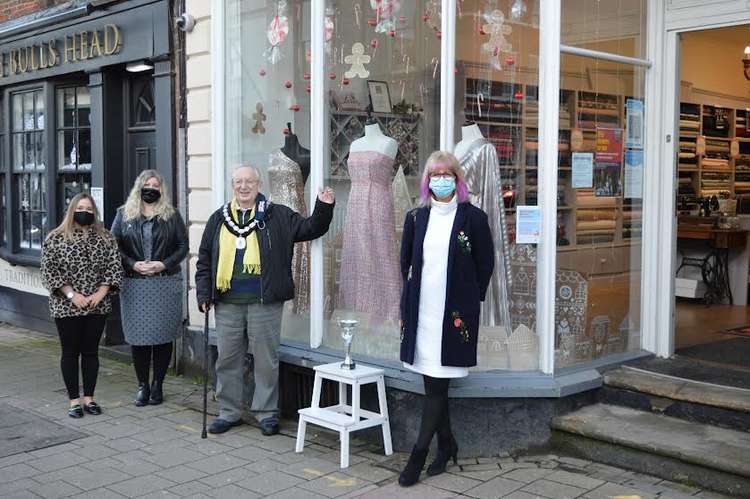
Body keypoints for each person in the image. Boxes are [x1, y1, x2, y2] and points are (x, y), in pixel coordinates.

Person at [195, 165, 335, 436]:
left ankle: (266, 413)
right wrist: (203, 293)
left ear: (259, 185)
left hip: (265, 301)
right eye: (238, 182)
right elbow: (204, 260)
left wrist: (324, 206)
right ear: (232, 186)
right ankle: (229, 412)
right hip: (227, 302)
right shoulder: (218, 219)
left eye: (249, 181)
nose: (244, 186)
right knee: (227, 359)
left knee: (265, 360)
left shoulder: (277, 215)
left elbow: (310, 228)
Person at [397, 151, 494, 486]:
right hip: (422, 313)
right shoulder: (415, 218)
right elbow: (405, 262)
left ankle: (418, 455)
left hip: (452, 316)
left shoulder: (474, 219)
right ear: (427, 181)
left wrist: (469, 299)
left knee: (437, 385)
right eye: (434, 174)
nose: (440, 178)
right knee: (432, 383)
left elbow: (486, 265)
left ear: (457, 179)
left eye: (447, 173)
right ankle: (447, 444)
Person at [40, 193, 123, 418]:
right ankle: (73, 401)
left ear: (94, 212)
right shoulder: (55, 238)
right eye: (80, 207)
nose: (84, 212)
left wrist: (101, 292)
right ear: (72, 210)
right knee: (70, 352)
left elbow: (114, 266)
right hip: (66, 306)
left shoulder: (106, 237)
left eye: (89, 208)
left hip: (97, 305)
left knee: (90, 352)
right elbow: (49, 271)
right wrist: (71, 295)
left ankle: (90, 398)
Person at [111, 170, 188, 406]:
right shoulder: (123, 214)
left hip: (165, 283)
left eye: (156, 185)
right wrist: (133, 264)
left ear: (161, 189)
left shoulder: (171, 215)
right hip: (135, 285)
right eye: (147, 184)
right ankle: (143, 385)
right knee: (139, 338)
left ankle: (158, 385)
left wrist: (163, 263)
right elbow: (114, 245)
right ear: (139, 187)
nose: (151, 188)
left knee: (163, 337)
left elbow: (183, 245)